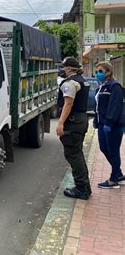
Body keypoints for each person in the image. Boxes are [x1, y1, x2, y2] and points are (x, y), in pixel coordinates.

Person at [56, 57, 91, 200]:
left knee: (73, 154)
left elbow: (68, 104)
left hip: (73, 122)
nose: (62, 70)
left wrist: (60, 123)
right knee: (77, 153)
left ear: (69, 69)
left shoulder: (70, 83)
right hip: (81, 120)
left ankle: (82, 189)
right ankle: (85, 187)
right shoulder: (81, 80)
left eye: (64, 67)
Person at [93, 61, 124, 188]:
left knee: (113, 151)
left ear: (108, 72)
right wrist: (96, 121)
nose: (97, 74)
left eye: (100, 71)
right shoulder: (102, 86)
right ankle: (118, 173)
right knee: (103, 148)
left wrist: (109, 122)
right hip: (102, 124)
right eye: (96, 71)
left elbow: (115, 106)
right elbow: (98, 107)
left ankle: (113, 179)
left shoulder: (114, 86)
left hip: (112, 125)